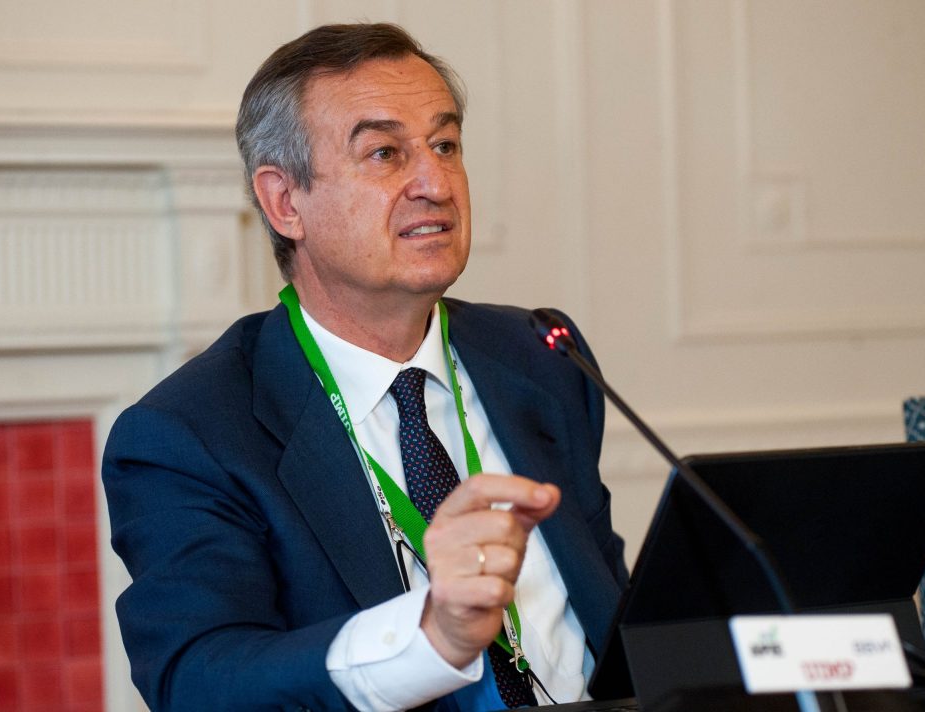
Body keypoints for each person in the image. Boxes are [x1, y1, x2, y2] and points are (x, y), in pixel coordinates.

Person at [102, 22, 628, 711]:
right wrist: (429, 637)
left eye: (445, 144)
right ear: (285, 202)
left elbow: (616, 625)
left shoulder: (542, 355)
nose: (434, 182)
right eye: (385, 153)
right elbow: (199, 679)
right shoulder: (191, 432)